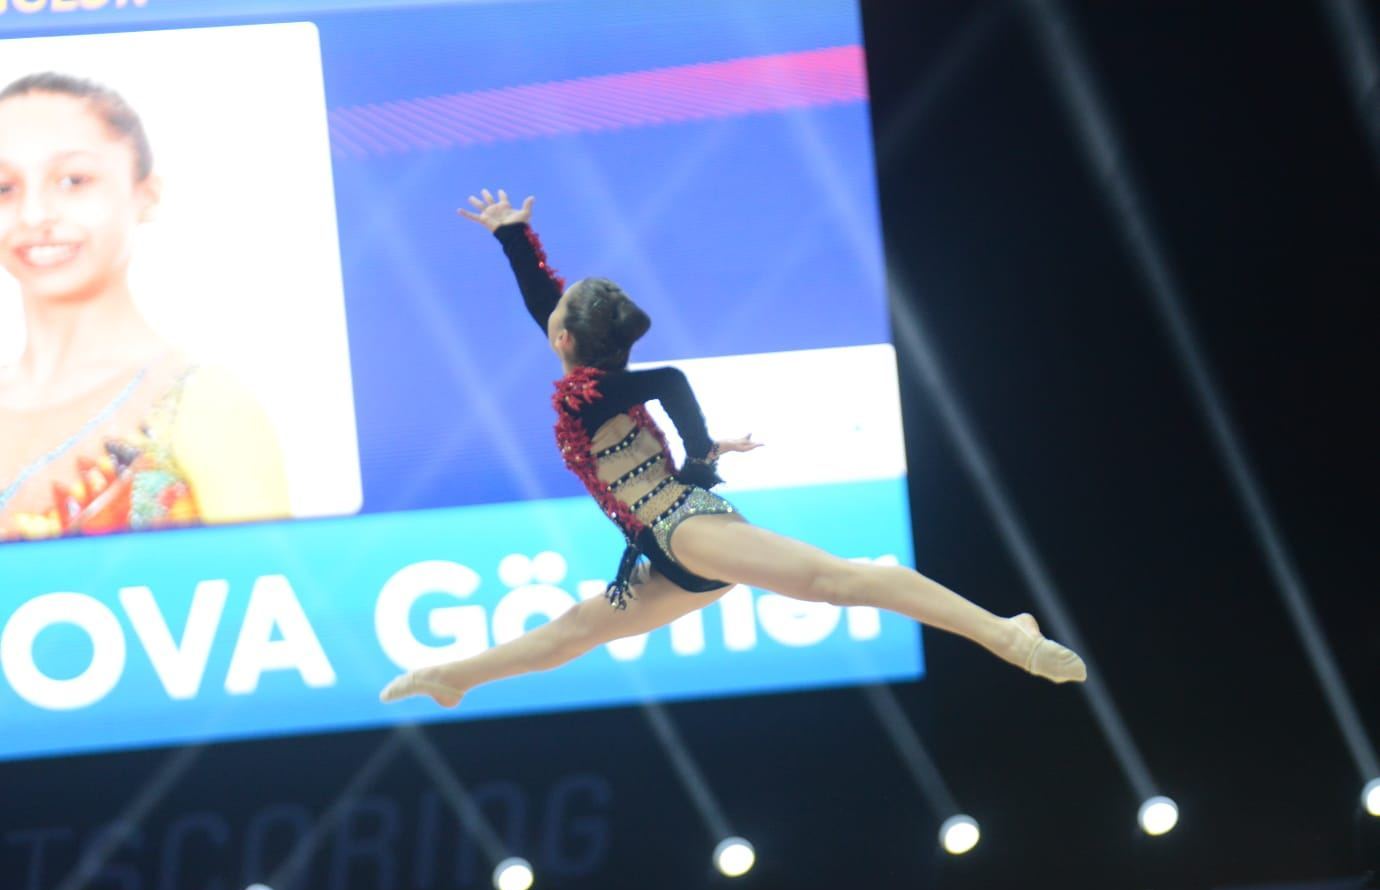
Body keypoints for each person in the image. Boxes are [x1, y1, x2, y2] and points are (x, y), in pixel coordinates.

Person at [381, 189, 1085, 707]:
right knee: (569, 635)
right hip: (660, 550)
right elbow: (546, 299)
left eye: (557, 319)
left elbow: (673, 381)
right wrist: (513, 235)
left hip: (688, 527)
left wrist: (698, 459)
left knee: (841, 581)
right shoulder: (594, 380)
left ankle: (1007, 634)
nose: (550, 313)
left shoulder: (595, 391)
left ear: (565, 343)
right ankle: (455, 678)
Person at [0, 72, 290, 541]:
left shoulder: (203, 403)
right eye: (4, 189)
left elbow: (279, 598)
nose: (35, 215)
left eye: (73, 180)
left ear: (146, 193)